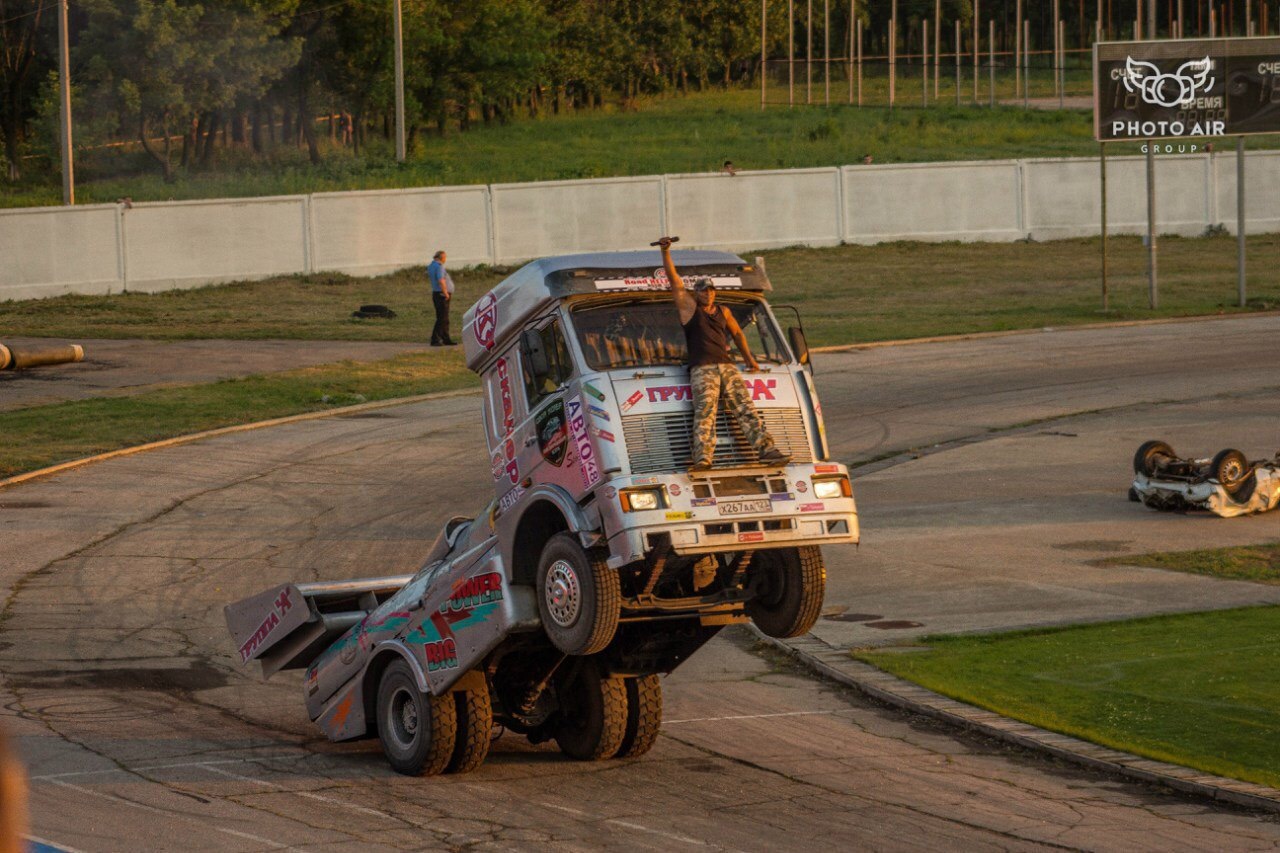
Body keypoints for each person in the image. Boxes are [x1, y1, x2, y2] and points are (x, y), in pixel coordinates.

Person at [657, 237, 790, 472]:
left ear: (714, 292)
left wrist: (749, 359)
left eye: (710, 290)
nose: (707, 294)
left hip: (727, 366)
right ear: (696, 294)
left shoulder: (724, 311)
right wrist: (665, 251)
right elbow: (674, 281)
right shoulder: (690, 310)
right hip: (702, 368)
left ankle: (767, 451)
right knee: (705, 413)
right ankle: (703, 459)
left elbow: (738, 334)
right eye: (702, 291)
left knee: (745, 407)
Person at [427, 249, 456, 346]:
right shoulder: (439, 267)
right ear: (441, 258)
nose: (445, 259)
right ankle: (435, 339)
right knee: (442, 318)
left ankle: (445, 338)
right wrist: (445, 292)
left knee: (444, 317)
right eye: (445, 257)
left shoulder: (431, 265)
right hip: (442, 294)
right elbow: (441, 280)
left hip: (436, 293)